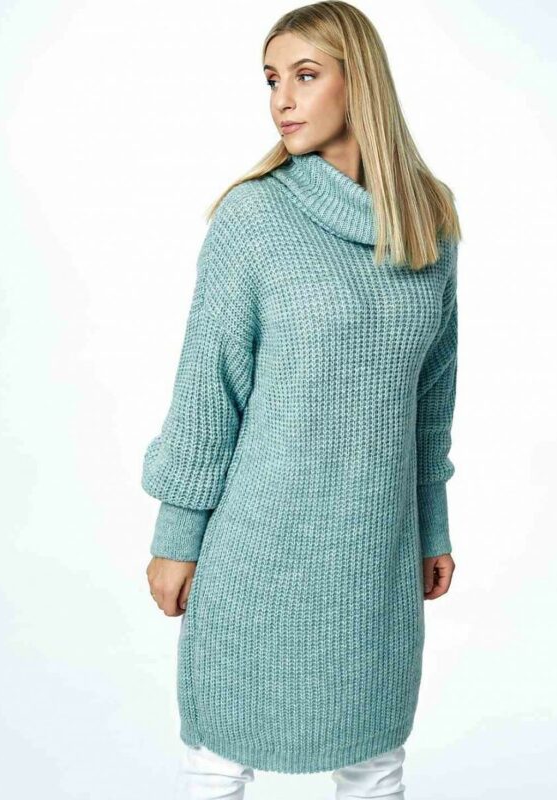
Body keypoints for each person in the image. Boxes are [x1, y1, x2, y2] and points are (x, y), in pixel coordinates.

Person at [142, 2, 461, 797]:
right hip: (257, 549)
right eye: (271, 80)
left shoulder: (427, 220)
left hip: (377, 552)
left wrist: (433, 526)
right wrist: (176, 537)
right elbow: (208, 389)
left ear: (361, 83)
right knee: (218, 760)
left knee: (375, 760)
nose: (282, 99)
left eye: (306, 76)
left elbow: (432, 401)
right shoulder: (253, 216)